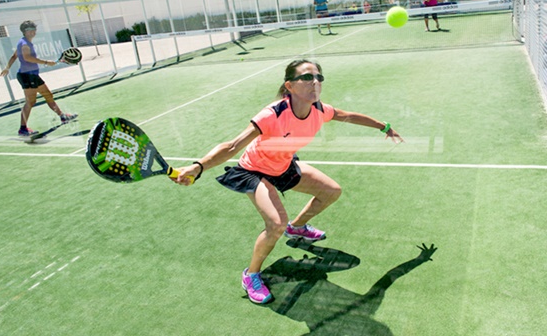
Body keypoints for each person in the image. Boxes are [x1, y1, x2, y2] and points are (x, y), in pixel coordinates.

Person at [171, 59, 403, 305]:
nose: (315, 82)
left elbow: (348, 116)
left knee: (332, 191)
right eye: (306, 77)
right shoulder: (273, 114)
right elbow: (233, 146)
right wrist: (198, 167)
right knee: (275, 224)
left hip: (283, 166)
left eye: (318, 78)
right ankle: (251, 275)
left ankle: (298, 227)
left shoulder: (320, 110)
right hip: (255, 171)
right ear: (289, 86)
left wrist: (383, 126)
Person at [0, 20, 78, 136]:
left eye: (33, 29)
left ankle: (63, 116)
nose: (32, 32)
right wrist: (46, 62)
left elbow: (14, 56)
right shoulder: (25, 44)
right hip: (27, 76)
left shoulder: (23, 42)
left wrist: (7, 67)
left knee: (48, 95)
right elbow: (27, 58)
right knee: (30, 102)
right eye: (29, 30)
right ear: (24, 32)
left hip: (33, 75)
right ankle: (23, 129)